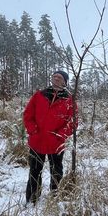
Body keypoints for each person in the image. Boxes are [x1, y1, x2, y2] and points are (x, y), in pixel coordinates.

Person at [22, 70, 77, 204]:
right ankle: (32, 199)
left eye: (60, 77)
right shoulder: (39, 95)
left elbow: (73, 122)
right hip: (37, 140)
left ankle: (55, 197)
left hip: (56, 143)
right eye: (54, 76)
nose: (56, 78)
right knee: (35, 171)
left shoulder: (69, 100)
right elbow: (28, 115)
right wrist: (33, 130)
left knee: (56, 171)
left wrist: (59, 135)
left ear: (65, 81)